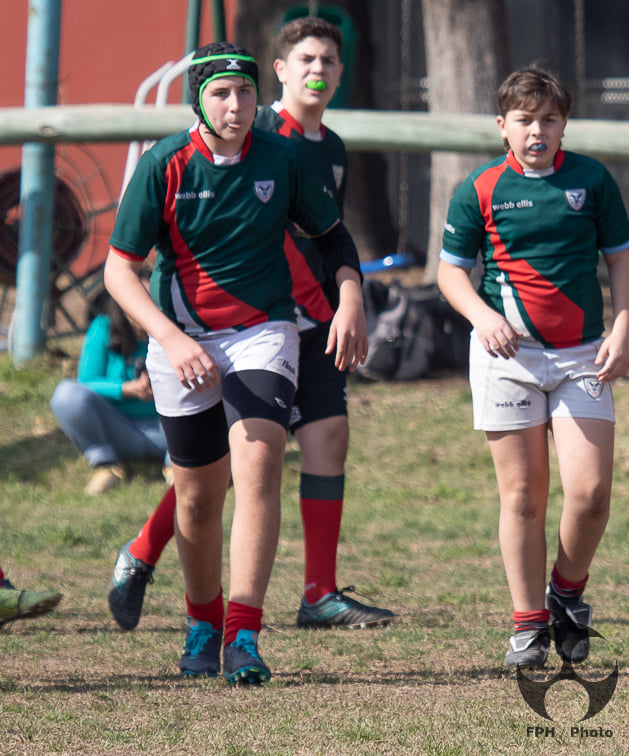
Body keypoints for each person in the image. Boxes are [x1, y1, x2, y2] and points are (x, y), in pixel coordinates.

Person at [106, 17, 393, 636]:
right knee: (213, 476)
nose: (319, 71)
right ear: (281, 71)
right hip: (244, 321)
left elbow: (328, 237)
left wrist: (348, 298)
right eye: (306, 59)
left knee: (304, 444)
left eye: (329, 60)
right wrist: (172, 335)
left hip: (295, 323)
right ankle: (149, 556)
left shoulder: (325, 149)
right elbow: (128, 266)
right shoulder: (244, 137)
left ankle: (306, 598)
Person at [436, 67, 629, 670]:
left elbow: (621, 259)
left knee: (591, 492)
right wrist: (481, 316)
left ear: (564, 124)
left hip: (583, 355)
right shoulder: (480, 188)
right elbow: (450, 271)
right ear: (503, 126)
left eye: (549, 119)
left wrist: (624, 325)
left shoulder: (591, 180)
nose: (537, 131)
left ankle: (566, 594)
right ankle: (528, 625)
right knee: (523, 495)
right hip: (507, 358)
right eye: (524, 120)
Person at [50, 295, 169, 495]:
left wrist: (165, 389)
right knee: (66, 394)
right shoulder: (103, 326)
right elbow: (86, 382)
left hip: (170, 430)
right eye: (137, 299)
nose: (144, 309)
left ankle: (179, 466)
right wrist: (127, 389)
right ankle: (105, 463)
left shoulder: (181, 327)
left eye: (152, 299)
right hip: (118, 429)